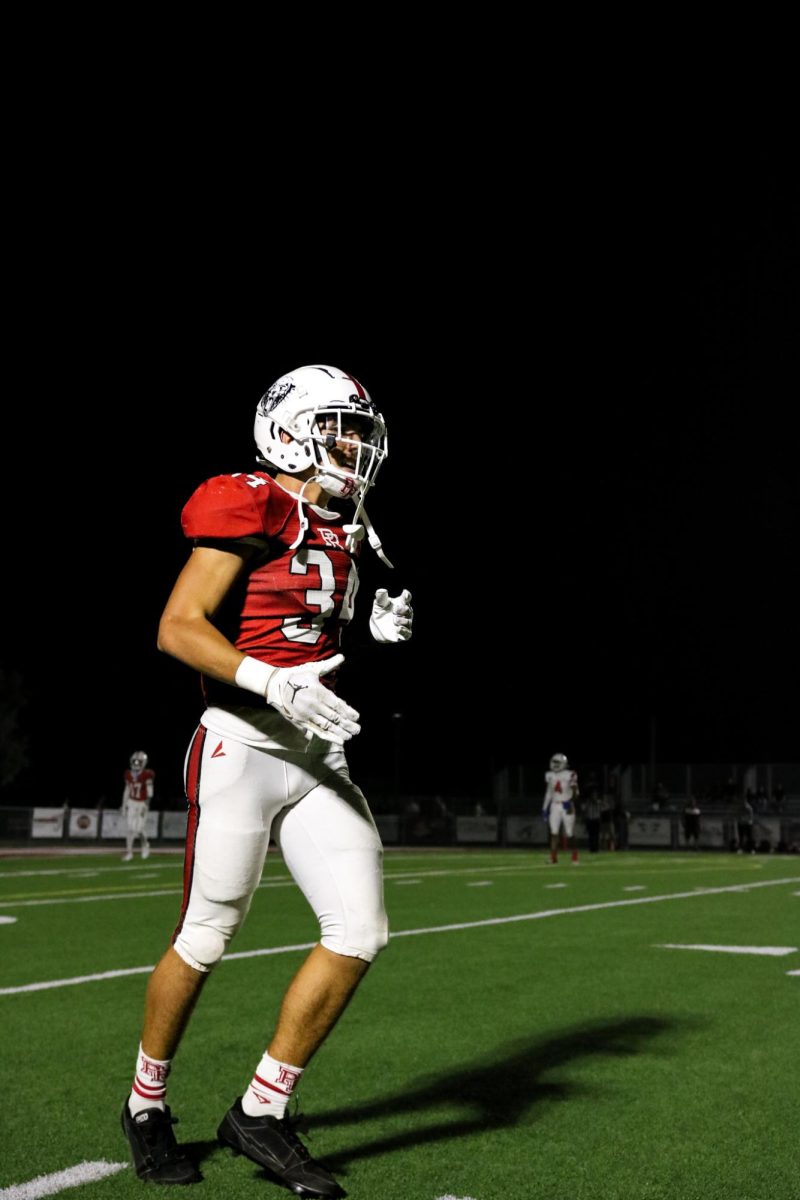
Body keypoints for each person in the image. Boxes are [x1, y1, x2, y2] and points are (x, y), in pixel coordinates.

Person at [119, 365, 413, 1195]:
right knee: (207, 934)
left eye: (361, 433)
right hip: (242, 744)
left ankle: (261, 1111)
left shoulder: (344, 522)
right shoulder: (253, 502)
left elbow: (304, 621)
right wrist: (271, 681)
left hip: (317, 755)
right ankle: (146, 1105)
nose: (356, 448)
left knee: (360, 930)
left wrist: (371, 626)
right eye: (339, 429)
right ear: (288, 430)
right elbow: (179, 628)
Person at [542, 753, 580, 864]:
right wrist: (544, 808)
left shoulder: (570, 774)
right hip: (554, 805)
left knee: (569, 833)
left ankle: (575, 855)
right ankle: (553, 857)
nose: (555, 764)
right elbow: (549, 793)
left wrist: (570, 802)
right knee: (554, 832)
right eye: (554, 762)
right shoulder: (550, 775)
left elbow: (576, 792)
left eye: (557, 762)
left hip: (567, 805)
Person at [121, 751, 155, 862]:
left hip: (142, 803)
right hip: (131, 802)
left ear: (144, 762)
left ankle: (145, 846)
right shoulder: (128, 774)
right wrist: (123, 804)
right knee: (130, 829)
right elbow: (127, 790)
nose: (136, 763)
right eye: (134, 761)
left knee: (139, 829)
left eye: (138, 761)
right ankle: (129, 852)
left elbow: (150, 792)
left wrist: (146, 805)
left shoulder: (147, 774)